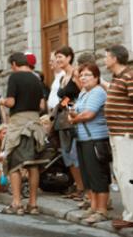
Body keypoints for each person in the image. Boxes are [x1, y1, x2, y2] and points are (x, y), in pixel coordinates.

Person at [0, 52, 47, 215]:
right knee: (33, 164)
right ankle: (33, 204)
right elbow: (42, 105)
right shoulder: (36, 78)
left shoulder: (15, 77)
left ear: (14, 64)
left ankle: (17, 203)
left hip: (19, 125)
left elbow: (11, 102)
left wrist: (2, 101)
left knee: (13, 164)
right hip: (35, 126)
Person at [68, 63, 110, 224]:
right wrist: (73, 114)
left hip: (95, 139)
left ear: (97, 77)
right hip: (83, 139)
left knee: (98, 175)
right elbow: (76, 112)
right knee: (88, 176)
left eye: (87, 75)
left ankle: (102, 210)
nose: (83, 78)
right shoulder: (84, 93)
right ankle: (93, 207)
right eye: (81, 75)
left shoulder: (98, 92)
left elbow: (88, 114)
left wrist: (74, 118)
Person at [103, 45, 133, 230]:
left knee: (126, 175)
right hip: (116, 134)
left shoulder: (129, 76)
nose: (105, 60)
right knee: (121, 174)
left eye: (106, 56)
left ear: (115, 59)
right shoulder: (117, 78)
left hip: (126, 134)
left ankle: (131, 216)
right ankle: (129, 213)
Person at [54, 46, 85, 201]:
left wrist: (75, 108)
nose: (57, 60)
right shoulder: (62, 78)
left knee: (76, 154)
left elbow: (83, 93)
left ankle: (85, 189)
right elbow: (66, 98)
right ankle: (79, 187)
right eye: (56, 57)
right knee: (67, 156)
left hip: (75, 119)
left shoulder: (75, 74)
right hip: (63, 120)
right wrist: (61, 106)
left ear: (69, 57)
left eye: (60, 56)